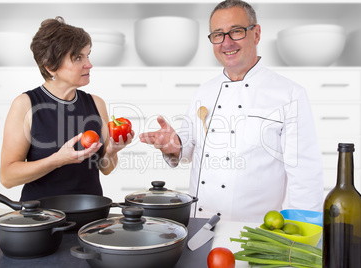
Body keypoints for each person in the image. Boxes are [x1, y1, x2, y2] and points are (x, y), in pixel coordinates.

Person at [139, 0, 324, 222]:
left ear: (256, 34)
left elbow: (305, 175)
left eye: (236, 32)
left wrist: (300, 237)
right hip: (198, 223)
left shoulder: (289, 94)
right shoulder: (203, 92)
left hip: (256, 232)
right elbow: (188, 148)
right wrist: (174, 145)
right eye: (218, 34)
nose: (226, 42)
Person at [0, 17, 133, 201]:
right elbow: (7, 177)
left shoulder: (96, 103)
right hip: (41, 219)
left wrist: (112, 151)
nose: (89, 64)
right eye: (78, 57)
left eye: (88, 55)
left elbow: (106, 168)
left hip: (90, 215)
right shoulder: (25, 104)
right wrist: (57, 160)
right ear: (50, 67)